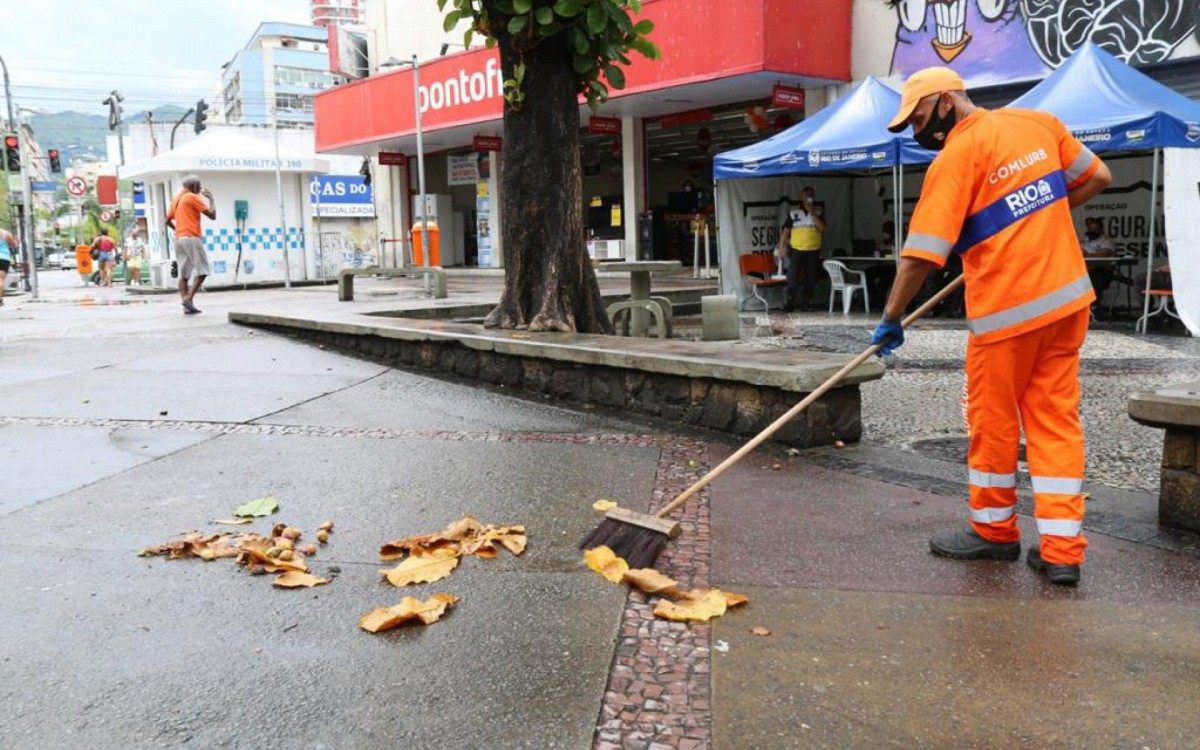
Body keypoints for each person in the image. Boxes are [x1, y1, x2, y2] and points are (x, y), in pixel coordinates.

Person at [871, 66, 1112, 586]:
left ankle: (995, 531)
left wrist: (890, 318)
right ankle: (1063, 551)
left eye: (916, 120)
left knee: (993, 422)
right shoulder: (1038, 122)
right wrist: (1036, 214)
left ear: (944, 102)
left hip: (1007, 315)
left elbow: (922, 255)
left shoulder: (958, 155)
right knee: (1055, 423)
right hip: (1069, 303)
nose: (917, 134)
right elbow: (1097, 177)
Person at [166, 175, 216, 314]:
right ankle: (188, 298)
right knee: (203, 271)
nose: (199, 189)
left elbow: (167, 221)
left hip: (179, 239)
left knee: (184, 274)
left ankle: (187, 307)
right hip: (191, 237)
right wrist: (210, 197)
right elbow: (212, 215)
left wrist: (179, 229)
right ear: (193, 186)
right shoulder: (191, 197)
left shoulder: (176, 199)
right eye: (198, 186)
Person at [775, 186, 826, 311]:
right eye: (805, 195)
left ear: (813, 197)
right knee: (792, 276)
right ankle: (789, 302)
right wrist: (781, 247)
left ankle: (806, 302)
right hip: (797, 250)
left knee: (811, 278)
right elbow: (785, 232)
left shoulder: (819, 212)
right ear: (801, 197)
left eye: (810, 195)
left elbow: (822, 228)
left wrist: (812, 212)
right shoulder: (794, 213)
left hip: (813, 250)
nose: (807, 198)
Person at [1081, 217, 1116, 309]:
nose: (1092, 231)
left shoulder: (1106, 241)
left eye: (1095, 229)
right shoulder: (1085, 240)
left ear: (1100, 229)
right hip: (1084, 270)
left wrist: (1087, 254)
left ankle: (1095, 307)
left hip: (1102, 271)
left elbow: (1103, 256)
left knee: (1094, 275)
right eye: (1090, 229)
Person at [0, 227, 18, 307]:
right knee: (1, 279)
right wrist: (15, 238)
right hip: (4, 258)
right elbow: (14, 245)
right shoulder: (6, 233)